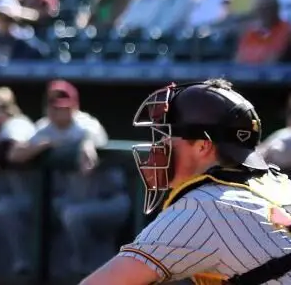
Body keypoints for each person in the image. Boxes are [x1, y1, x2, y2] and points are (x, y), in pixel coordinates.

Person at [81, 79, 291, 285]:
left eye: (168, 135)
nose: (161, 145)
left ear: (203, 146)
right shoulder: (279, 184)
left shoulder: (206, 204)